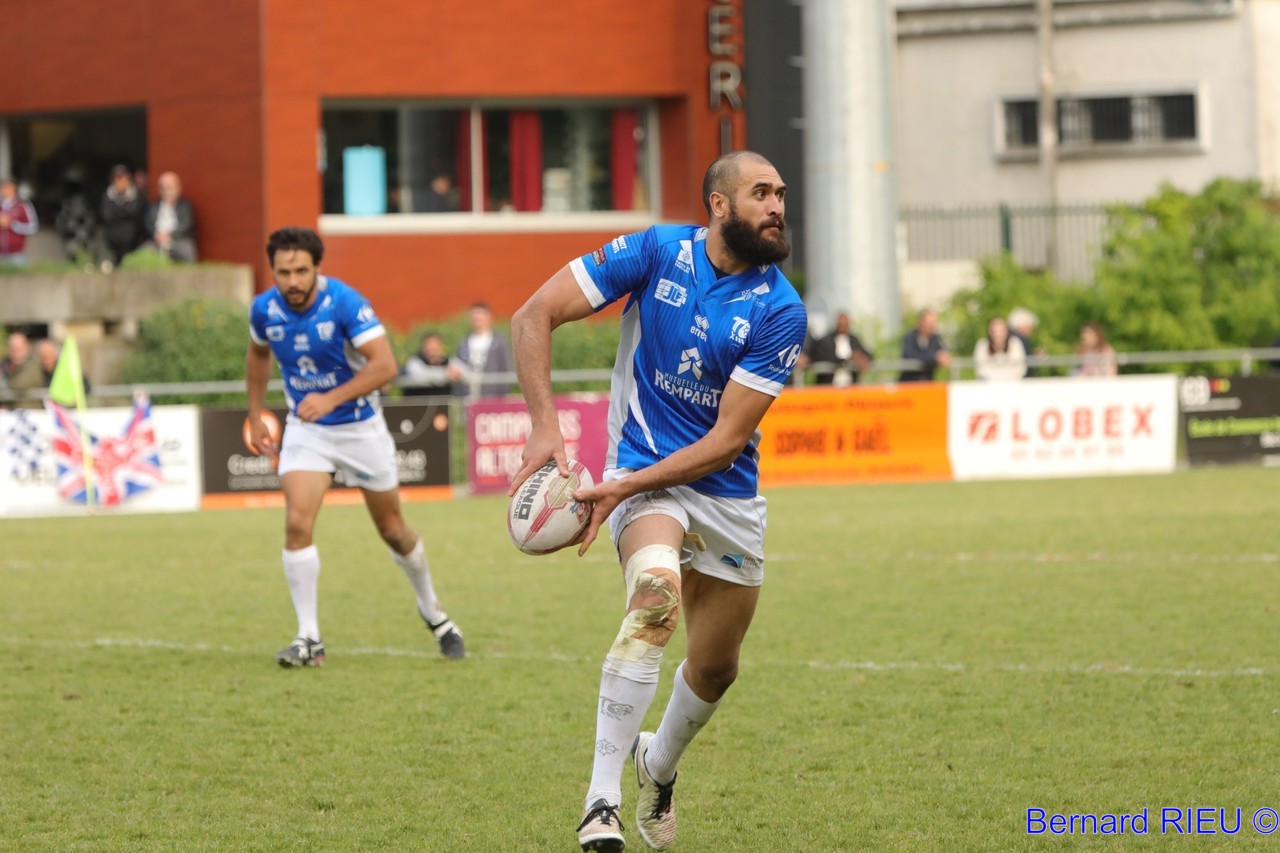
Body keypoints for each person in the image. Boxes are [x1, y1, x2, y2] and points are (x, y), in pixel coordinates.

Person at [509, 150, 807, 852]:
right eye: (761, 193)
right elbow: (534, 313)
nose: (777, 207)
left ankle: (658, 763)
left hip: (724, 492)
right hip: (645, 471)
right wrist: (546, 424)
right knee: (654, 600)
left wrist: (617, 488)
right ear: (718, 205)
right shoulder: (655, 252)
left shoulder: (781, 309)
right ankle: (601, 801)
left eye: (780, 194)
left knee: (716, 667)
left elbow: (727, 442)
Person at [244, 226, 465, 668]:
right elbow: (258, 355)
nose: (293, 281)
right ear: (273, 272)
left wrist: (330, 398)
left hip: (360, 429)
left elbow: (385, 365)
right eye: (284, 272)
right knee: (296, 522)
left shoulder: (345, 303)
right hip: (307, 430)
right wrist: (254, 412)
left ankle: (434, 613)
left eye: (301, 271)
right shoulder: (264, 309)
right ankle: (309, 638)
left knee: (393, 530)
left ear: (316, 268)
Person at [454, 301, 514, 397]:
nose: (477, 317)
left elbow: (506, 368)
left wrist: (503, 393)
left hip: (492, 396)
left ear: (489, 317)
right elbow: (459, 365)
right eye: (474, 314)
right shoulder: (464, 343)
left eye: (480, 314)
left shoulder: (499, 343)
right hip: (468, 395)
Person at [804, 311, 873, 386]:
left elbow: (868, 355)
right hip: (828, 385)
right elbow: (821, 357)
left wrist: (862, 358)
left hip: (851, 385)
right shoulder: (826, 341)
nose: (843, 327)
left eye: (845, 325)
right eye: (841, 324)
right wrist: (849, 359)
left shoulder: (854, 340)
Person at [143, 171, 198, 262]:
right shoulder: (154, 206)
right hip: (156, 240)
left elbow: (186, 224)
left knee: (187, 251)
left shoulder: (184, 206)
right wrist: (156, 234)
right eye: (163, 188)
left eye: (169, 187)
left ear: (177, 187)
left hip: (178, 240)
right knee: (144, 252)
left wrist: (169, 235)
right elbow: (148, 223)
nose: (166, 191)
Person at [99, 165, 144, 267]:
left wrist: (117, 211)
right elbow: (106, 215)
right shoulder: (107, 195)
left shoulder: (136, 195)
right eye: (117, 179)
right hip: (112, 238)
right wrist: (124, 211)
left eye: (123, 178)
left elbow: (134, 212)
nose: (120, 182)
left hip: (131, 239)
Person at [399, 331, 461, 397]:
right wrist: (445, 374)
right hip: (417, 402)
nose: (432, 351)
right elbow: (421, 375)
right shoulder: (413, 361)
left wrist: (457, 374)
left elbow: (463, 371)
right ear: (423, 347)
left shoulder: (449, 361)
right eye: (430, 348)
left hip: (441, 403)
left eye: (435, 348)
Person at [898, 308, 951, 382]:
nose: (931, 327)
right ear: (920, 322)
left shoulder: (935, 338)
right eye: (928, 323)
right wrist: (934, 358)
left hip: (928, 382)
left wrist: (944, 356)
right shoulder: (910, 337)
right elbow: (909, 355)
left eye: (933, 324)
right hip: (910, 383)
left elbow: (942, 352)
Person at [973, 316, 1027, 381]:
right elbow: (980, 370)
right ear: (989, 331)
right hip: (989, 385)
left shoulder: (1015, 343)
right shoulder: (982, 345)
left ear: (1007, 331)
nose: (998, 334)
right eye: (994, 331)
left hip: (1012, 384)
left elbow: (1020, 368)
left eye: (1001, 331)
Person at [0, 177, 39, 266]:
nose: (5, 190)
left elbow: (33, 228)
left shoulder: (22, 206)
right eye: (3, 187)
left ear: (14, 189)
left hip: (16, 255)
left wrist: (12, 224)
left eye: (8, 187)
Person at [1, 332, 45, 407]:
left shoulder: (33, 363)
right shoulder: (7, 363)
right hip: (13, 410)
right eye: (12, 348)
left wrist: (4, 382)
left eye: (18, 349)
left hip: (31, 410)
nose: (14, 353)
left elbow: (19, 384)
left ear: (27, 347)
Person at [1008, 307, 1043, 377]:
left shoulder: (1009, 339)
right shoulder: (1019, 340)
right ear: (1022, 326)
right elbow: (1025, 359)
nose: (1032, 330)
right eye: (1030, 326)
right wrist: (1036, 356)